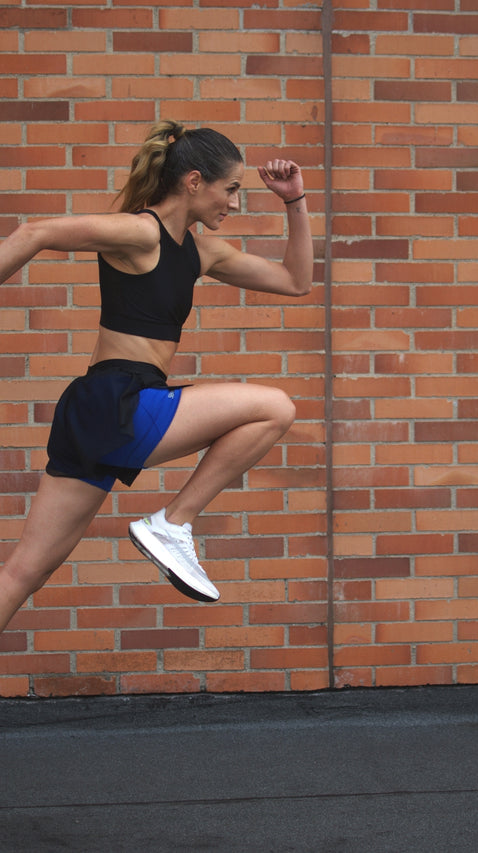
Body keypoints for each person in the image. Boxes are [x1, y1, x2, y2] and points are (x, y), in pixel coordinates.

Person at [0, 120, 313, 632]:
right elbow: (38, 232)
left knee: (24, 572)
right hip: (117, 399)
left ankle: (171, 525)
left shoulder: (200, 250)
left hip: (96, 409)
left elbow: (297, 282)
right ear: (194, 183)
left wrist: (294, 201)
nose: (234, 204)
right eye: (231, 190)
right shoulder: (141, 232)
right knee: (275, 407)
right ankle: (172, 523)